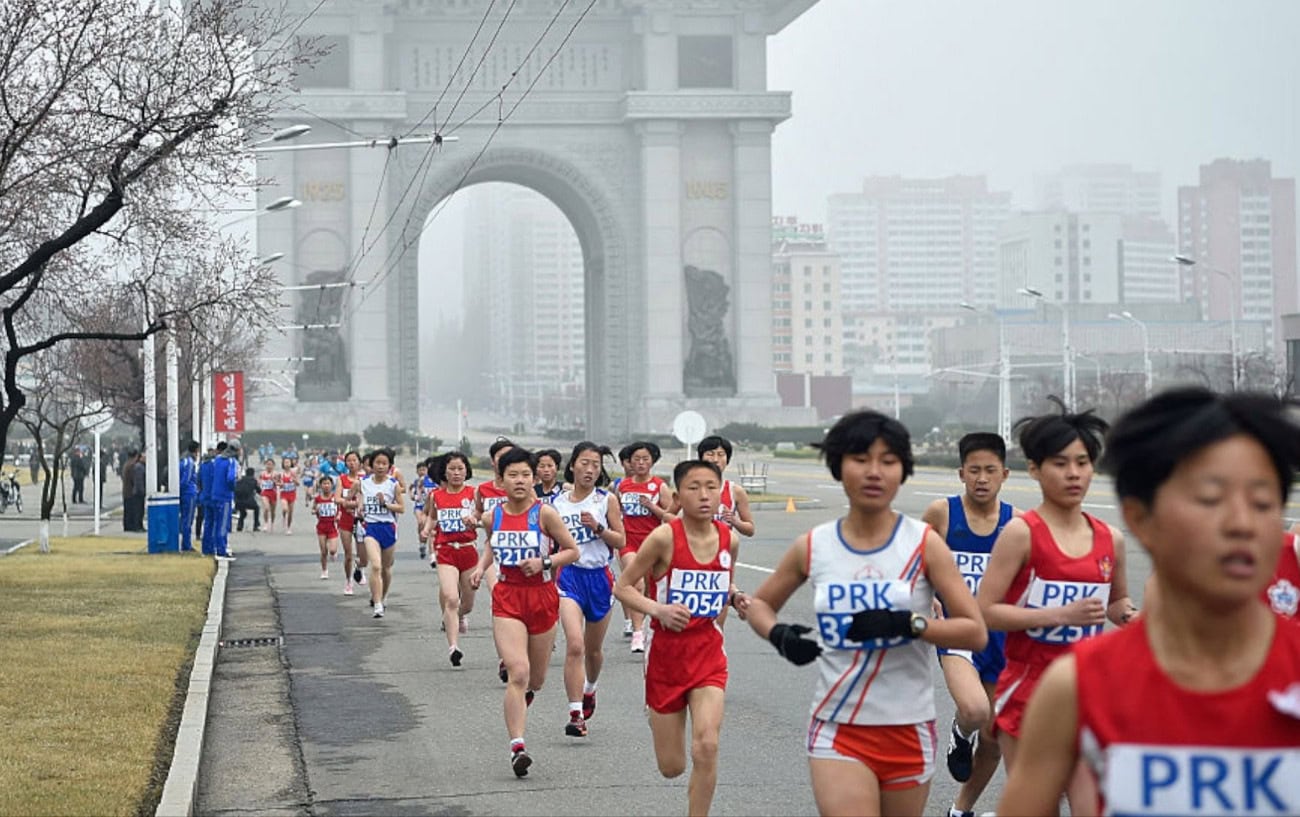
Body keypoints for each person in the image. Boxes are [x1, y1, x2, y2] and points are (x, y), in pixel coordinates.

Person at [998, 387, 1300, 815]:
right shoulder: (1077, 688)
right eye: (1210, 500)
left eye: (1263, 502)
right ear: (1141, 518)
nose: (1241, 524)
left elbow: (1120, 602)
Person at [744, 411, 987, 817]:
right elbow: (761, 606)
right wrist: (779, 634)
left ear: (903, 470)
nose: (874, 471)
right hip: (838, 727)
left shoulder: (924, 545)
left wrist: (913, 623)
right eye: (860, 458)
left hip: (909, 728)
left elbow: (974, 632)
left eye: (888, 461)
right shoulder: (814, 545)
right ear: (839, 465)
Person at [976, 398, 1136, 815]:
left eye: (1082, 463)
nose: (1073, 474)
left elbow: (1116, 601)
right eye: (1061, 463)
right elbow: (987, 610)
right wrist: (1058, 616)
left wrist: (1135, 620)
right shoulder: (1020, 534)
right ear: (1034, 469)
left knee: (1091, 807)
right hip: (1027, 690)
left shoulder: (1110, 539)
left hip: (1087, 690)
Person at [614, 459, 747, 817]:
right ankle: (657, 713)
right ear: (677, 495)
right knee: (671, 767)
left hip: (708, 652)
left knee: (706, 746)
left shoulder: (729, 540)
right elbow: (623, 587)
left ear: (721, 492)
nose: (704, 495)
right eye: (694, 487)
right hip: (666, 656)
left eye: (711, 487)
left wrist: (735, 598)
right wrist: (658, 611)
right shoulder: (663, 539)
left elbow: (724, 581)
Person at [920, 432, 1019, 817]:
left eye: (990, 471)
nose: (981, 478)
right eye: (974, 470)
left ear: (1005, 474)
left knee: (994, 738)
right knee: (976, 710)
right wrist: (925, 595)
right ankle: (960, 733)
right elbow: (912, 561)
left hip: (1000, 637)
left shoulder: (1017, 525)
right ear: (961, 473)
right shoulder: (941, 513)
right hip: (959, 631)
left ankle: (960, 811)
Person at [469, 447, 580, 778]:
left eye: (525, 475)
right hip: (507, 598)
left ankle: (524, 697)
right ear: (500, 480)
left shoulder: (545, 514)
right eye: (512, 475)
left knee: (536, 679)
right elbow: (493, 543)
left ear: (534, 478)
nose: (519, 481)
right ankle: (517, 746)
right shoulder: (492, 516)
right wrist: (480, 568)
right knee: (517, 671)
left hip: (543, 597)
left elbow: (572, 551)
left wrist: (544, 562)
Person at [554, 442, 625, 738]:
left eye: (596, 464)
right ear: (572, 466)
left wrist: (598, 528)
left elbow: (620, 541)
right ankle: (575, 714)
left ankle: (590, 690)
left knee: (593, 651)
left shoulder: (605, 500)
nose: (590, 469)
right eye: (585, 463)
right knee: (575, 645)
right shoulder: (557, 503)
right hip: (569, 577)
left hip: (599, 579)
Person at [616, 441, 677, 652]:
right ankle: (637, 632)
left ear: (652, 461)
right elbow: (614, 513)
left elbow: (671, 518)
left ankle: (652, 626)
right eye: (637, 459)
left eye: (645, 459)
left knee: (652, 589)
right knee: (636, 583)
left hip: (652, 544)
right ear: (630, 462)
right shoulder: (622, 485)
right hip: (628, 543)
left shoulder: (659, 486)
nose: (641, 463)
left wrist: (652, 507)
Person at [423, 452, 479, 665]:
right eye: (452, 469)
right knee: (450, 597)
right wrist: (427, 530)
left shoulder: (474, 494)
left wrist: (475, 521)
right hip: (446, 551)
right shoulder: (436, 496)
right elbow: (432, 518)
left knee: (467, 603)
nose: (456, 473)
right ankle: (453, 647)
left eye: (460, 469)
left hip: (468, 551)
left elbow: (483, 517)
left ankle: (460, 615)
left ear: (466, 471)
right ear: (444, 472)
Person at [350, 448, 403, 618]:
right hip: (370, 527)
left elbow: (401, 508)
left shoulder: (393, 484)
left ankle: (383, 596)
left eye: (384, 463)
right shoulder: (362, 482)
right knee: (376, 565)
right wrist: (357, 505)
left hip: (388, 528)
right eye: (377, 463)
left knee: (386, 568)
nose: (380, 466)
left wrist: (386, 504)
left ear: (389, 466)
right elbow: (350, 499)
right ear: (371, 464)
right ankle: (377, 603)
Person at [697, 435, 756, 538]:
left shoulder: (735, 491)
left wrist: (735, 521)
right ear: (701, 458)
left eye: (721, 454)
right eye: (710, 454)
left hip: (723, 550)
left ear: (727, 459)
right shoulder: (690, 487)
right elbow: (669, 516)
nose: (715, 459)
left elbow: (750, 530)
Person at [204, 442, 239, 559]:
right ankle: (221, 549)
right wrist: (234, 487)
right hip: (225, 496)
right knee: (222, 524)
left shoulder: (217, 460)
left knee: (211, 522)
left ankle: (209, 548)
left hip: (214, 495)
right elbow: (230, 478)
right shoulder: (232, 461)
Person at [338, 451, 365, 594]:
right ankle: (348, 581)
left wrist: (352, 504)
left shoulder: (365, 479)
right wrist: (348, 503)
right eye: (349, 460)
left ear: (360, 462)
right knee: (348, 554)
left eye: (354, 460)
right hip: (345, 520)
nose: (352, 463)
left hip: (362, 520)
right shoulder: (342, 479)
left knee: (363, 554)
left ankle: (359, 569)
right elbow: (337, 499)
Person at [313, 475, 341, 580]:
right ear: (320, 486)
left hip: (332, 526)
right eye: (324, 484)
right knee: (323, 551)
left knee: (332, 550)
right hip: (321, 527)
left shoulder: (335, 498)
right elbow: (313, 509)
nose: (326, 486)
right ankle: (324, 570)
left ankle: (333, 553)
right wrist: (315, 510)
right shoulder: (318, 498)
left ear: (331, 485)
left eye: (328, 483)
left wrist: (338, 516)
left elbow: (340, 509)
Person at [178, 441, 200, 551]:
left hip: (185, 493)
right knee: (188, 520)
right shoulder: (189, 462)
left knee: (184, 518)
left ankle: (185, 543)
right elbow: (185, 480)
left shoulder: (182, 460)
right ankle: (186, 545)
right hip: (189, 494)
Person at [234, 467, 261, 532]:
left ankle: (240, 525)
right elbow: (259, 491)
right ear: (253, 474)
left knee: (243, 512)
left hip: (238, 502)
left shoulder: (239, 480)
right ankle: (256, 525)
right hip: (249, 501)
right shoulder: (253, 481)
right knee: (256, 508)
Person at [278, 456, 299, 535]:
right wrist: (280, 484)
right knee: (285, 509)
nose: (287, 464)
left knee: (290, 512)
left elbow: (298, 484)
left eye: (288, 462)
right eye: (285, 462)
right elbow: (277, 483)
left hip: (292, 494)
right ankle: (284, 516)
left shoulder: (293, 473)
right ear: (283, 464)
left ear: (291, 464)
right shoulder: (281, 474)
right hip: (284, 494)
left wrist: (294, 481)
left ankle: (288, 527)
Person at [259, 458, 279, 532]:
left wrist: (275, 481)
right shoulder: (262, 473)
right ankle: (266, 523)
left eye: (270, 464)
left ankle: (272, 523)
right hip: (265, 493)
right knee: (266, 508)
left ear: (273, 466)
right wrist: (260, 483)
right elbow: (259, 481)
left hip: (273, 493)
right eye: (267, 464)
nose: (269, 466)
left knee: (273, 511)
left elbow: (279, 483)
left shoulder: (276, 474)